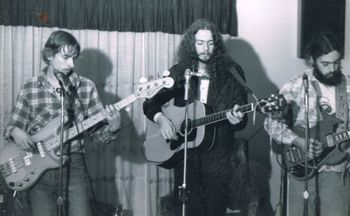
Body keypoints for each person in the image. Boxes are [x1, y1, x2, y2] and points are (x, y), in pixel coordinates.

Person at [3, 30, 121, 216]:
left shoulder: (85, 87)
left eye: (74, 58)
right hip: (37, 168)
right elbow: (13, 126)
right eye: (66, 57)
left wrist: (113, 127)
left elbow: (97, 135)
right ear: (50, 55)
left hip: (73, 163)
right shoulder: (30, 87)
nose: (71, 64)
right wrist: (15, 131)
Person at [143, 18, 248, 216]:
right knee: (188, 209)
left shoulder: (232, 73)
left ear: (216, 44)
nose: (205, 48)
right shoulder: (180, 72)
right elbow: (150, 102)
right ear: (192, 44)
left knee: (215, 209)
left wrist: (238, 119)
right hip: (185, 155)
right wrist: (162, 120)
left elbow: (240, 119)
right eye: (200, 43)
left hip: (218, 156)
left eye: (210, 43)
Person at [264, 32, 350, 216]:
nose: (332, 69)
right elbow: (271, 124)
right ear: (312, 60)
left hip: (337, 170)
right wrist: (299, 141)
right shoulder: (296, 85)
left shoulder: (348, 87)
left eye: (336, 63)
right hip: (301, 166)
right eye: (325, 64)